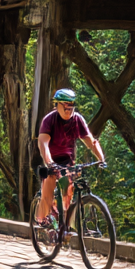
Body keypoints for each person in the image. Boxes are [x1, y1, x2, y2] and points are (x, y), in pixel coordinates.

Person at [36, 88, 106, 225]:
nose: (69, 111)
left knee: (68, 191)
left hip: (67, 160)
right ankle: (41, 219)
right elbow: (43, 143)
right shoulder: (49, 120)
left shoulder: (77, 120)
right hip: (51, 158)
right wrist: (50, 163)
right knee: (49, 187)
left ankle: (64, 223)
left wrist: (101, 159)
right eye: (65, 108)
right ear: (56, 105)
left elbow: (90, 141)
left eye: (71, 108)